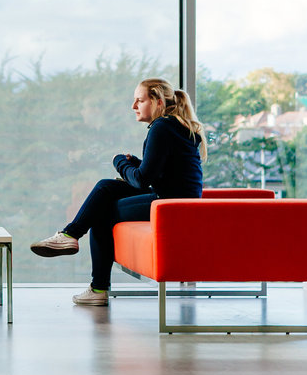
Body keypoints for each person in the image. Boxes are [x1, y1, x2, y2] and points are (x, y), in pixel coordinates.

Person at [30, 78, 206, 306]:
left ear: (158, 102)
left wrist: (120, 162)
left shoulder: (162, 127)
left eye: (140, 100)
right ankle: (70, 237)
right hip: (174, 201)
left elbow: (142, 180)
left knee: (101, 213)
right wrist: (136, 163)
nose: (134, 106)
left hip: (170, 206)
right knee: (106, 186)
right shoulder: (175, 126)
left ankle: (93, 279)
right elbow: (164, 172)